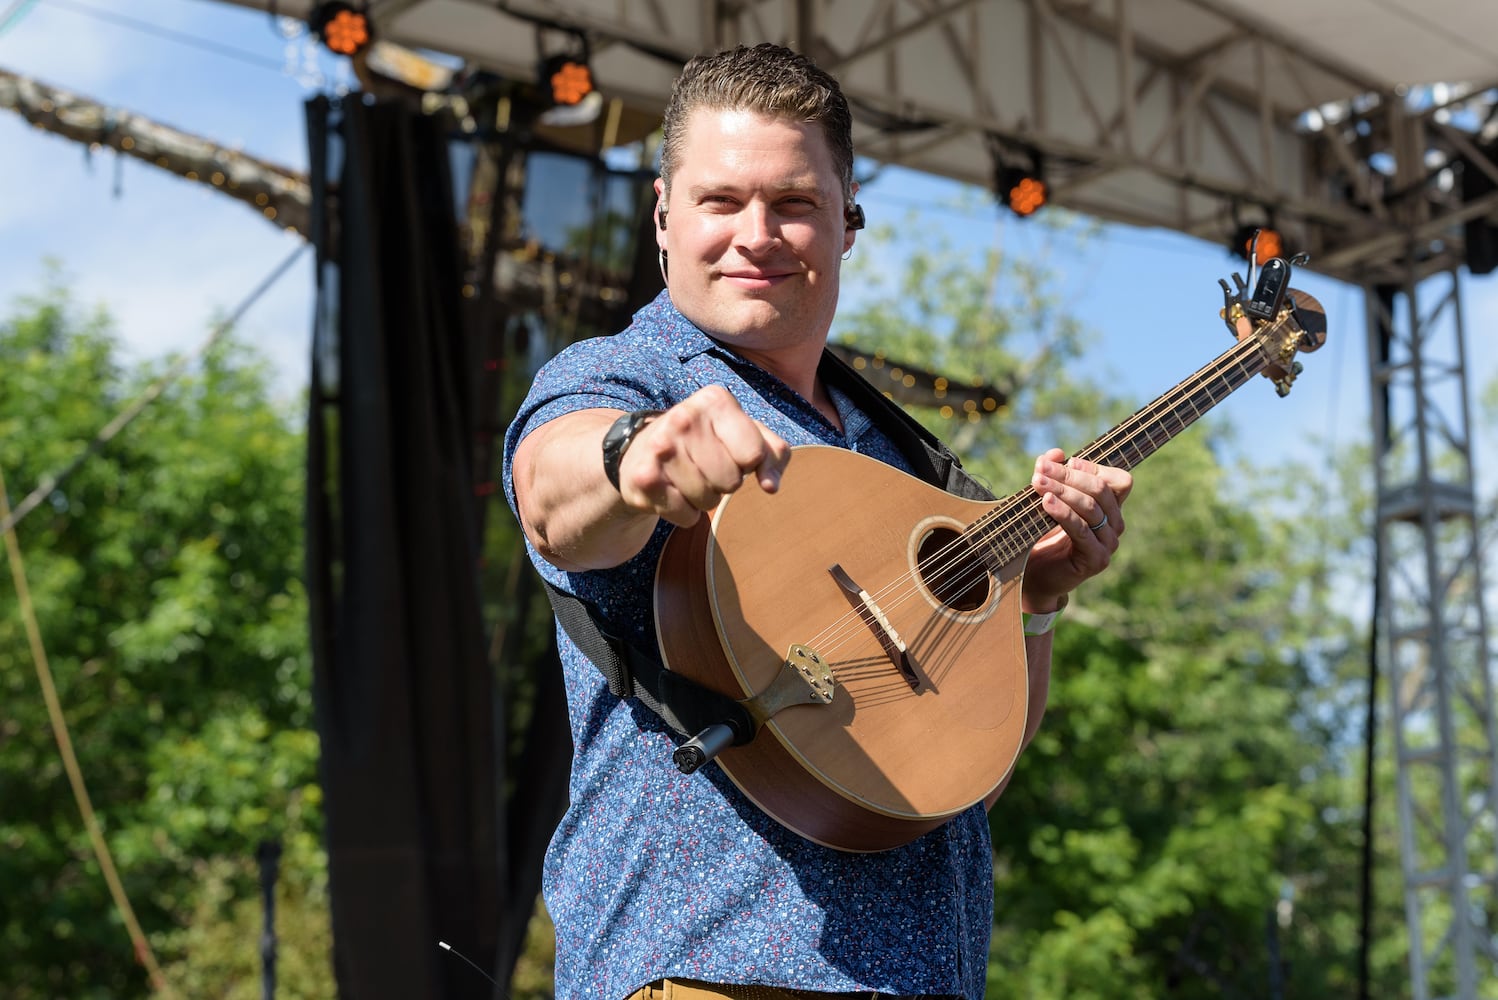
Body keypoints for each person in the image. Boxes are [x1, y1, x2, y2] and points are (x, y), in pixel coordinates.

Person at [502, 42, 1132, 1000]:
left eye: (793, 203)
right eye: (720, 201)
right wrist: (634, 453)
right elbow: (552, 496)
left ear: (847, 225)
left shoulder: (904, 455)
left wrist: (1036, 605)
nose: (757, 233)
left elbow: (965, 777)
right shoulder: (628, 377)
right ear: (665, 216)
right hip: (710, 974)